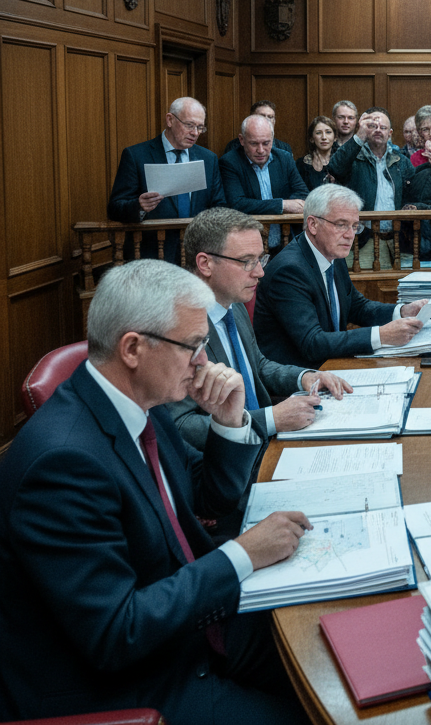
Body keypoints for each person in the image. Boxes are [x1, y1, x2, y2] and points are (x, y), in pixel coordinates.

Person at [0, 260, 311, 723]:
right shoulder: (62, 464)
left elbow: (206, 500)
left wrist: (229, 422)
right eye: (193, 345)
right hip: (130, 681)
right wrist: (243, 555)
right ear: (132, 348)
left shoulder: (145, 405)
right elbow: (116, 631)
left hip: (191, 624)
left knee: (328, 647)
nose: (204, 361)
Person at [168, 208, 352, 455]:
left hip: (269, 445)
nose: (260, 272)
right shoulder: (174, 328)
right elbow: (180, 426)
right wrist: (271, 419)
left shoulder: (233, 303)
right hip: (228, 462)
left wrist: (304, 377)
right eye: (247, 262)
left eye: (259, 259)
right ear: (205, 263)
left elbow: (258, 365)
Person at [254, 184, 427, 365]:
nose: (350, 235)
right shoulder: (289, 271)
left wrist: (402, 311)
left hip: (331, 365)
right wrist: (381, 335)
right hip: (302, 375)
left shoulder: (332, 254)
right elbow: (312, 343)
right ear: (313, 224)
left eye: (355, 226)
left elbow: (357, 307)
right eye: (341, 225)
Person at [107, 95, 225, 263]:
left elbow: (219, 205)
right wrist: (139, 206)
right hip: (151, 255)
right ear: (170, 120)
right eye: (189, 125)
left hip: (196, 255)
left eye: (200, 127)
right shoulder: (136, 155)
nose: (195, 133)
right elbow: (114, 208)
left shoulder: (208, 158)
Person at [328, 107, 416, 269]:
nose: (378, 130)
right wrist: (359, 136)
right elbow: (335, 168)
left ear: (389, 133)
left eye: (383, 127)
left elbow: (413, 196)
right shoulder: (354, 158)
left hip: (397, 239)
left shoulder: (401, 161)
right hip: (364, 239)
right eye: (372, 126)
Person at [219, 114, 308, 253]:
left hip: (285, 242)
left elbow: (302, 194)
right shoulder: (230, 162)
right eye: (254, 144)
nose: (260, 150)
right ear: (242, 140)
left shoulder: (284, 158)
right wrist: (282, 205)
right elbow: (237, 204)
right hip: (247, 245)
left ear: (273, 139)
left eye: (266, 143)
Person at [223, 100, 293, 157]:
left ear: (274, 121)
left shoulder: (284, 148)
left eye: (270, 117)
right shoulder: (234, 146)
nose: (266, 120)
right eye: (261, 116)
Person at [295, 115, 338, 191]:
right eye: (318, 133)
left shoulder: (343, 161)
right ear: (311, 138)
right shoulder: (301, 164)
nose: (324, 137)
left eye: (328, 132)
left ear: (335, 138)